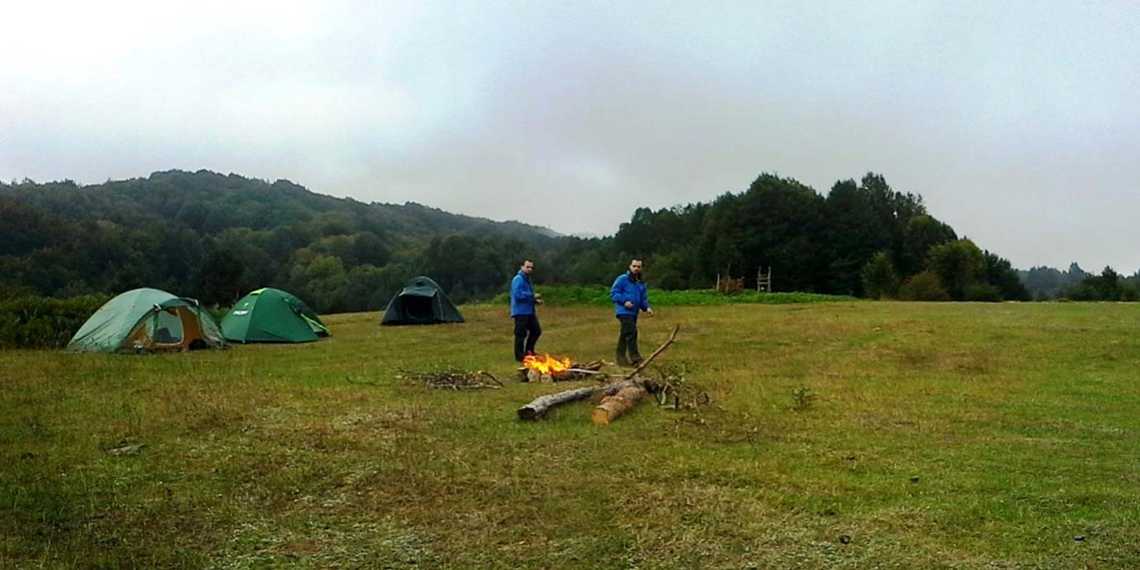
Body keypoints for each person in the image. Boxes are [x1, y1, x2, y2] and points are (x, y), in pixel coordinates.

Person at [610, 258, 653, 366]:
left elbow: (642, 299)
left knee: (625, 334)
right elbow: (614, 293)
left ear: (641, 268)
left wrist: (646, 308)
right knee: (632, 332)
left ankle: (621, 359)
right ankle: (636, 358)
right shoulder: (622, 279)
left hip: (634, 313)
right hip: (623, 312)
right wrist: (624, 301)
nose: (636, 269)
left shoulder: (640, 283)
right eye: (634, 266)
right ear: (630, 267)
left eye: (638, 267)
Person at [510, 259, 543, 361]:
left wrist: (535, 301)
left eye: (531, 267)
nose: (530, 269)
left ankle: (529, 351)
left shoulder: (527, 279)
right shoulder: (518, 279)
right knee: (520, 334)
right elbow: (518, 295)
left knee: (536, 331)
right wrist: (532, 296)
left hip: (529, 311)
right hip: (520, 312)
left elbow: (526, 297)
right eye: (527, 267)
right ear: (522, 267)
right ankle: (520, 357)